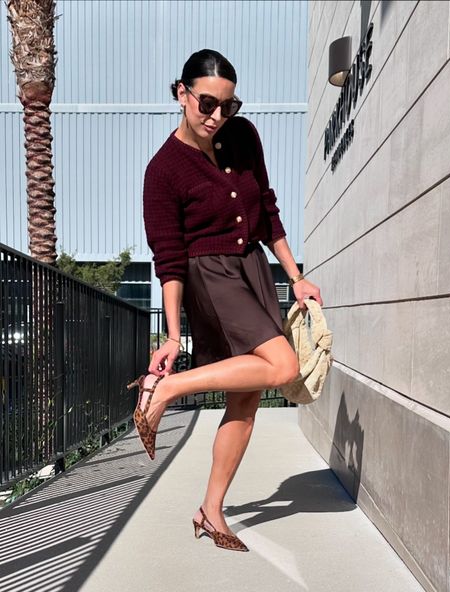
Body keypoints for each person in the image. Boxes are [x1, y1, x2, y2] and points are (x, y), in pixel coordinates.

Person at [130, 49, 323, 552]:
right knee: (282, 368)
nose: (217, 116)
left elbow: (269, 211)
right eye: (207, 104)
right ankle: (167, 390)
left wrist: (295, 277)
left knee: (247, 398)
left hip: (253, 268)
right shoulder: (163, 171)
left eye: (228, 106)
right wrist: (173, 335)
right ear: (182, 94)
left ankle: (210, 511)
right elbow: (169, 260)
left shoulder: (244, 135)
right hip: (210, 277)